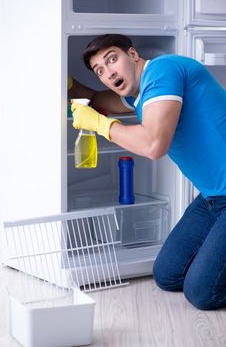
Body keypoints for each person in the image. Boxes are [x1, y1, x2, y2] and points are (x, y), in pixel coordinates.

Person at [69, 34, 226, 310]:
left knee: (202, 293)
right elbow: (96, 98)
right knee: (168, 274)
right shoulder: (141, 95)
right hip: (212, 197)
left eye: (112, 59)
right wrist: (68, 85)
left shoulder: (162, 71)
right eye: (100, 71)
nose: (109, 73)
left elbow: (154, 145)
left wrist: (102, 126)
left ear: (132, 54)